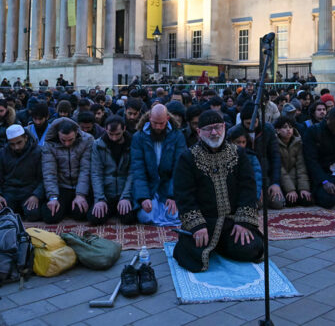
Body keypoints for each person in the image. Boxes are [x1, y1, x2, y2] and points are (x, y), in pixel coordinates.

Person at [172, 110, 263, 273]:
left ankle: (222, 245)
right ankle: (212, 244)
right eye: (208, 129)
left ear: (224, 128)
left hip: (232, 222)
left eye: (218, 127)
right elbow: (184, 194)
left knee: (252, 249)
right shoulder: (188, 157)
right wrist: (197, 226)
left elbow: (248, 187)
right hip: (204, 223)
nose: (214, 132)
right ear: (199, 132)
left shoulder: (238, 153)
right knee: (192, 256)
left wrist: (243, 223)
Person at [130, 103, 186, 226]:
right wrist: (143, 197)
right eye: (155, 123)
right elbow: (138, 170)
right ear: (149, 118)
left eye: (161, 123)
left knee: (174, 214)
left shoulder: (177, 136)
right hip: (150, 187)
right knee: (146, 215)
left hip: (168, 187)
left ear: (167, 119)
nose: (158, 127)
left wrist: (173, 195)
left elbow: (179, 168)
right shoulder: (138, 137)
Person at [41, 117, 93, 223]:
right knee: (51, 216)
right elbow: (49, 172)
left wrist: (80, 195)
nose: (67, 144)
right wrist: (53, 198)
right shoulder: (49, 144)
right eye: (63, 140)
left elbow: (85, 169)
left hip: (81, 186)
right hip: (61, 188)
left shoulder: (87, 140)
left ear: (76, 133)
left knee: (80, 213)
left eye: (70, 140)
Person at [0, 124, 44, 221]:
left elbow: (43, 179)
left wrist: (36, 195)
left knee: (33, 215)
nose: (16, 147)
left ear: (25, 138)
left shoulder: (37, 152)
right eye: (12, 144)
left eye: (19, 143)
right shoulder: (2, 153)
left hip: (29, 192)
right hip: (9, 192)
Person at [89, 116, 137, 225]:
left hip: (124, 191)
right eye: (111, 134)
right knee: (94, 219)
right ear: (105, 129)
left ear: (124, 129)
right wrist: (100, 199)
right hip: (106, 193)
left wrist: (126, 197)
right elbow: (96, 173)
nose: (114, 138)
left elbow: (132, 173)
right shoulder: (98, 145)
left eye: (117, 134)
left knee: (129, 219)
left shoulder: (132, 143)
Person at [273, 116, 311, 207]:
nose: (288, 130)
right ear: (278, 130)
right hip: (281, 181)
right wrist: (290, 189)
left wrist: (303, 188)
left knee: (306, 200)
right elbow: (280, 169)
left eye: (290, 127)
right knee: (290, 202)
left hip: (295, 179)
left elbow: (301, 166)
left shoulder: (298, 143)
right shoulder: (274, 144)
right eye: (285, 127)